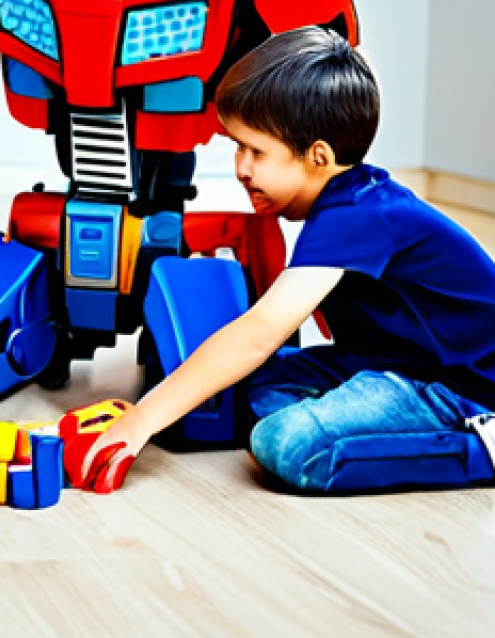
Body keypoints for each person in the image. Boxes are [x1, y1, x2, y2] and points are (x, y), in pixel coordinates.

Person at [73, 26, 495, 495]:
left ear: (318, 157)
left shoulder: (359, 215)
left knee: (288, 444)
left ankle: (483, 444)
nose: (241, 167)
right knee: (257, 383)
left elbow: (258, 333)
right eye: (237, 147)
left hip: (460, 387)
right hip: (384, 362)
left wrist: (141, 420)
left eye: (256, 151)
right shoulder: (344, 203)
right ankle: (359, 424)